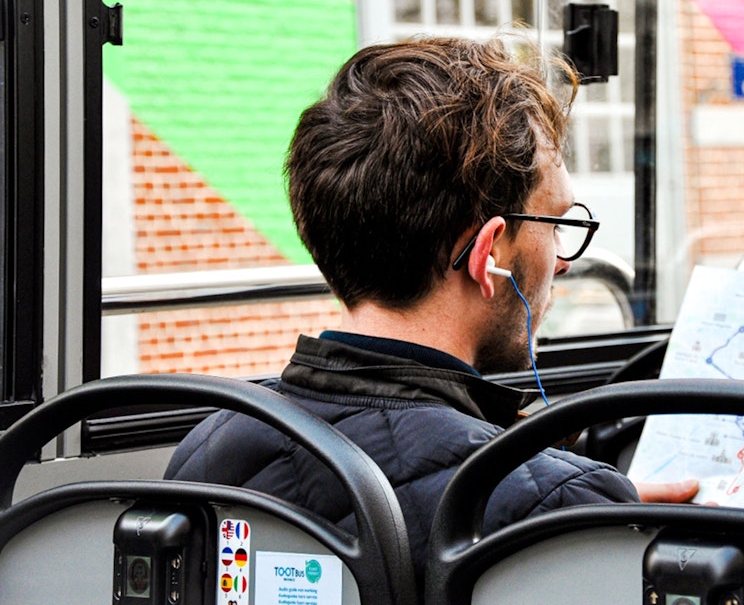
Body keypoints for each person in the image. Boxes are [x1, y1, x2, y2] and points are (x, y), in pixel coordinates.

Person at [164, 36, 696, 590]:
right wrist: (589, 515)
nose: (561, 262)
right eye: (556, 225)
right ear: (488, 257)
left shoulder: (206, 453)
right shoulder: (550, 506)